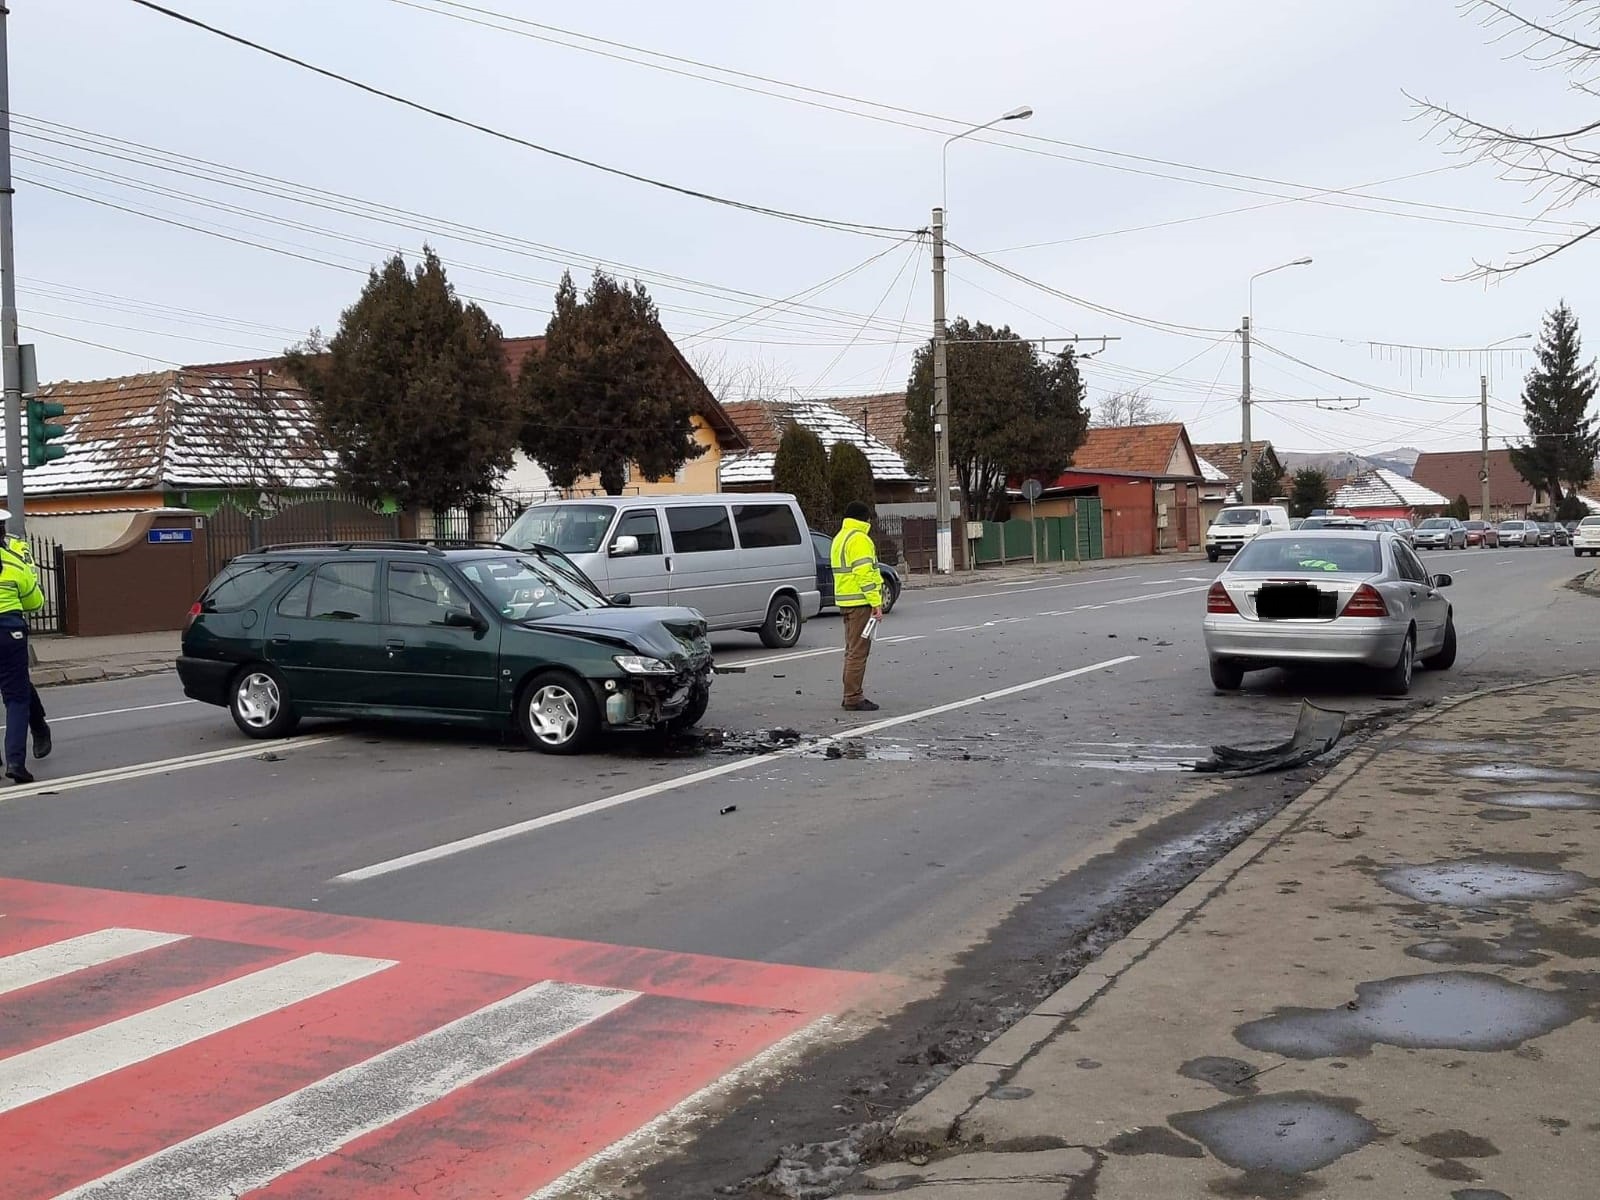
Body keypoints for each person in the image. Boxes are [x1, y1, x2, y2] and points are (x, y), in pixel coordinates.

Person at [0, 511, 50, 783]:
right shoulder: (14, 564)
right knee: (16, 698)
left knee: (17, 687)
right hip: (9, 633)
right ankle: (15, 763)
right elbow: (35, 603)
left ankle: (40, 728)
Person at [830, 501, 884, 712]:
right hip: (860, 601)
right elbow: (864, 573)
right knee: (858, 652)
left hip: (846, 600)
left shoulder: (840, 537)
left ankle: (849, 694)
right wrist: (876, 602)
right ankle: (853, 697)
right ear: (865, 518)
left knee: (851, 650)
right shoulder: (860, 539)